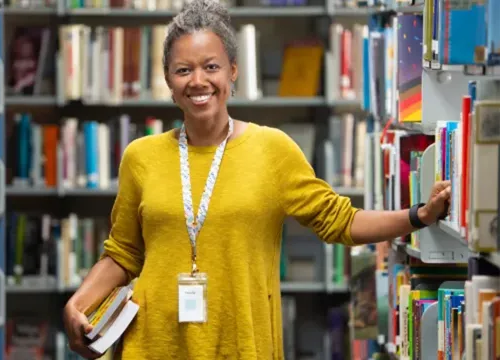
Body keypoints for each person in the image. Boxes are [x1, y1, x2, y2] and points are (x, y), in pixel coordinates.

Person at [62, 0, 452, 358]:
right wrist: (77, 304)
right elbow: (123, 254)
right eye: (183, 70)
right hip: (152, 345)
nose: (198, 81)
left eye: (211, 66)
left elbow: (342, 222)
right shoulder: (140, 157)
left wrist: (418, 215)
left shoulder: (272, 150)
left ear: (233, 71)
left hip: (242, 345)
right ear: (168, 80)